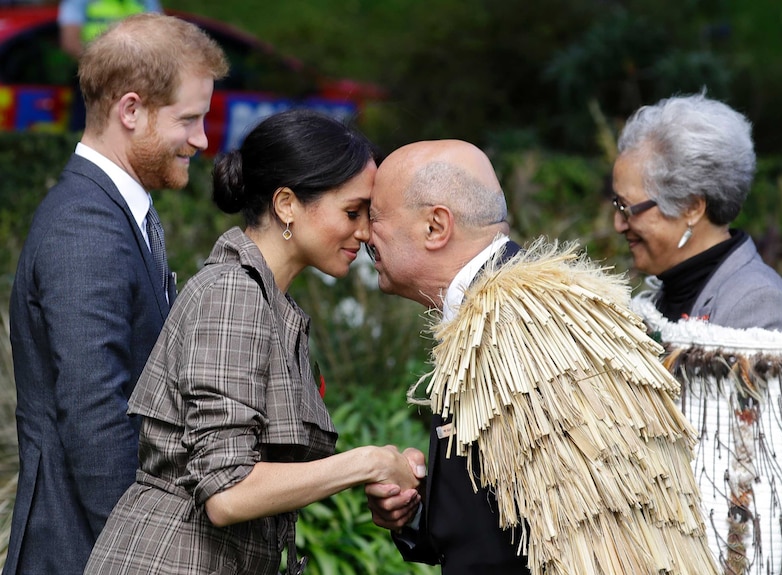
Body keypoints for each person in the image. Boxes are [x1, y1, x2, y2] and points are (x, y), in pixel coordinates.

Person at [83, 109, 422, 575]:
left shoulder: (268, 302)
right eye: (352, 212)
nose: (364, 232)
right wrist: (368, 463)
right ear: (286, 205)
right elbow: (226, 493)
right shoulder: (232, 295)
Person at [364, 139, 721, 574]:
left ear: (436, 227)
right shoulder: (503, 314)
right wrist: (417, 511)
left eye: (374, 217)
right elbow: (514, 521)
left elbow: (593, 536)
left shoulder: (520, 324)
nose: (363, 233)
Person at [5, 13, 228, 575]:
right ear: (131, 110)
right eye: (190, 119)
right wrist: (145, 554)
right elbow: (93, 409)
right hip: (84, 550)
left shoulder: (113, 210)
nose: (202, 140)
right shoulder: (85, 224)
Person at [611, 92, 782, 574]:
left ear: (693, 207)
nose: (618, 224)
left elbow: (758, 508)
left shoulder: (758, 308)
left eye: (629, 208)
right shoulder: (662, 296)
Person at [58, 0, 163, 60]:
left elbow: (161, 38)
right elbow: (70, 43)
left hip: (140, 75)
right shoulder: (79, 2)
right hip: (96, 75)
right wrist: (98, 66)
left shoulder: (146, 1)